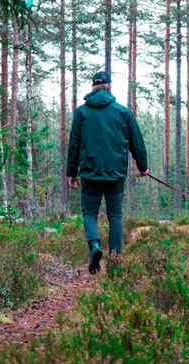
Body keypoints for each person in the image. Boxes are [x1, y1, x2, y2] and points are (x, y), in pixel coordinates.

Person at [66, 71, 149, 274]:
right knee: (115, 216)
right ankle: (115, 258)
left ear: (93, 86)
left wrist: (71, 172)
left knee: (89, 214)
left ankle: (94, 246)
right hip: (115, 174)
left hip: (90, 173)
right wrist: (143, 166)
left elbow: (74, 144)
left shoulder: (81, 113)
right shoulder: (123, 112)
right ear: (108, 86)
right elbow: (136, 142)